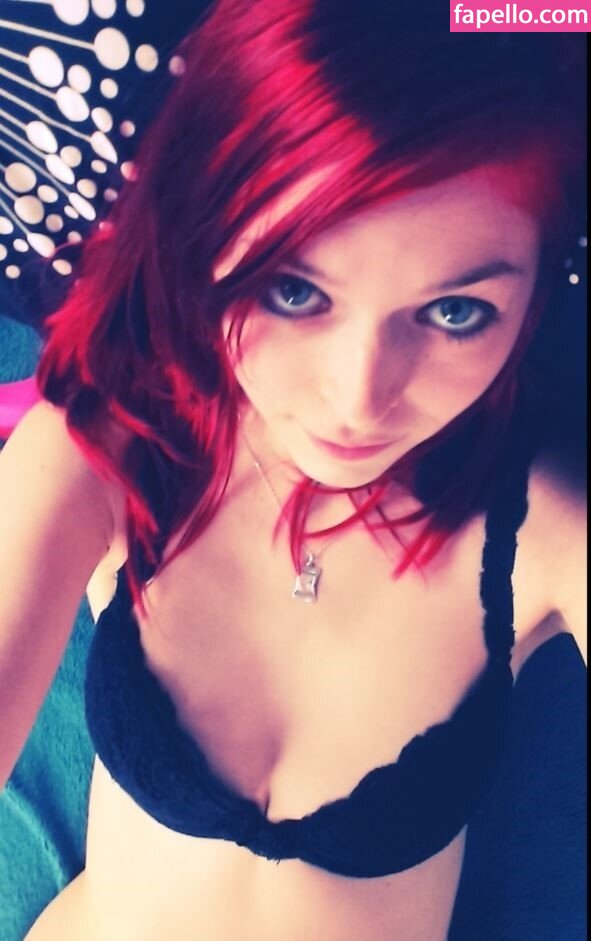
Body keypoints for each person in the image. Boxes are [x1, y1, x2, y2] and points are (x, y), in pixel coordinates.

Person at [0, 1, 586, 938]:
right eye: (293, 290)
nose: (358, 398)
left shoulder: (545, 529)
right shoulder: (113, 450)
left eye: (454, 313)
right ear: (200, 239)